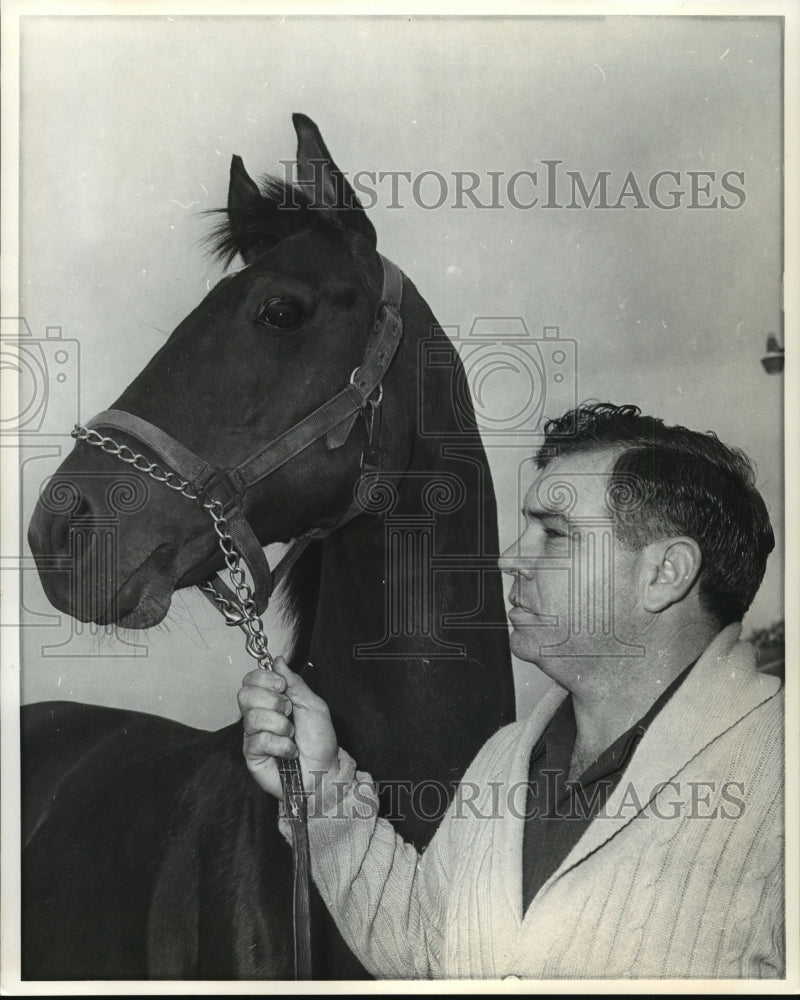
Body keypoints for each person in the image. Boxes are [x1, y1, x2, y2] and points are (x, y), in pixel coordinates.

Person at [237, 402, 784, 979]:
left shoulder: (780, 773)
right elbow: (432, 954)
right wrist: (321, 788)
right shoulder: (505, 759)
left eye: (554, 533)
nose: (508, 559)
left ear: (665, 573)